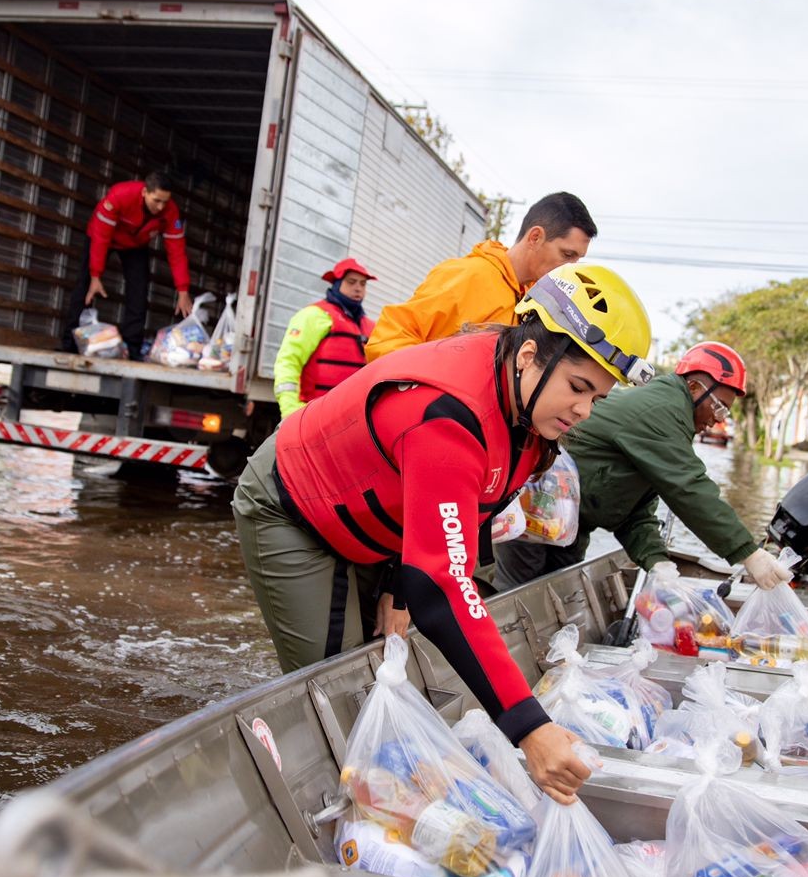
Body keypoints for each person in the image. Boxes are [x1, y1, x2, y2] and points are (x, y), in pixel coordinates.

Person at [232, 263, 653, 803]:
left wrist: (398, 587)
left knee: (382, 663)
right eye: (577, 387)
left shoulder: (528, 412)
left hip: (379, 514)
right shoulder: (448, 415)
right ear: (529, 356)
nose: (583, 410)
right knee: (338, 689)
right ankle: (315, 797)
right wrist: (530, 727)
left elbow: (467, 516)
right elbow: (446, 586)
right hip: (296, 505)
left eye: (598, 397)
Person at [492, 341, 794, 594]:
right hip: (534, 510)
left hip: (569, 526)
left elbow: (633, 509)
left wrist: (657, 562)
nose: (718, 419)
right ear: (693, 387)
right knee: (518, 596)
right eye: (718, 407)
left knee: (561, 594)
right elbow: (689, 488)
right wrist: (748, 553)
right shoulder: (660, 410)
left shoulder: (672, 423)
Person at [363, 191, 596, 361]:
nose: (570, 267)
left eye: (577, 259)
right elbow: (388, 340)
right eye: (567, 254)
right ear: (535, 237)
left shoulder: (533, 303)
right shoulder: (470, 275)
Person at [60, 171, 192, 359]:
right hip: (103, 236)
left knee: (139, 289)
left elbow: (177, 252)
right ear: (144, 192)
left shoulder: (170, 211)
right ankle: (70, 343)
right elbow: (100, 236)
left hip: (135, 244)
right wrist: (96, 275)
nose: (161, 207)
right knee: (84, 285)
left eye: (165, 201)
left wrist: (183, 289)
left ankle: (132, 348)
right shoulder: (120, 195)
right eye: (156, 200)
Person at [272, 258, 377, 419]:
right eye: (351, 282)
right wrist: (290, 412)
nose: (358, 288)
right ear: (337, 283)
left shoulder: (370, 327)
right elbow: (288, 362)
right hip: (311, 416)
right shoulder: (314, 316)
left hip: (351, 419)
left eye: (363, 284)